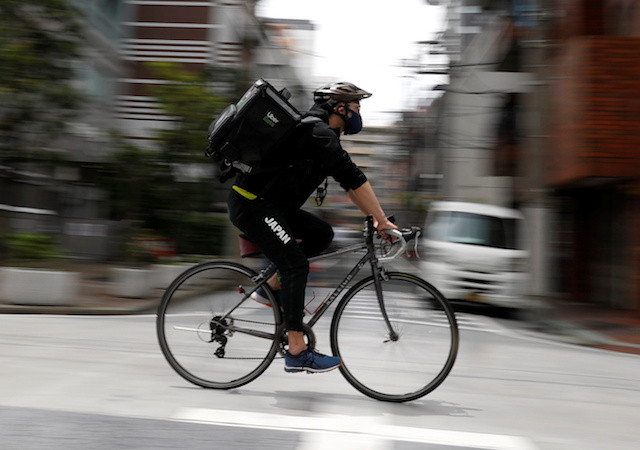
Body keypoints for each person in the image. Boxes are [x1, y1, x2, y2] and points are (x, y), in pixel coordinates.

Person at [227, 81, 397, 373]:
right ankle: (296, 350)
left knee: (321, 235)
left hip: (272, 207)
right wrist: (381, 219)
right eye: (356, 106)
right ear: (340, 108)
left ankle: (269, 286)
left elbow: (350, 184)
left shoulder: (323, 135)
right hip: (252, 204)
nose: (358, 112)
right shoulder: (316, 132)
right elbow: (354, 177)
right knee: (295, 265)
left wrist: (375, 217)